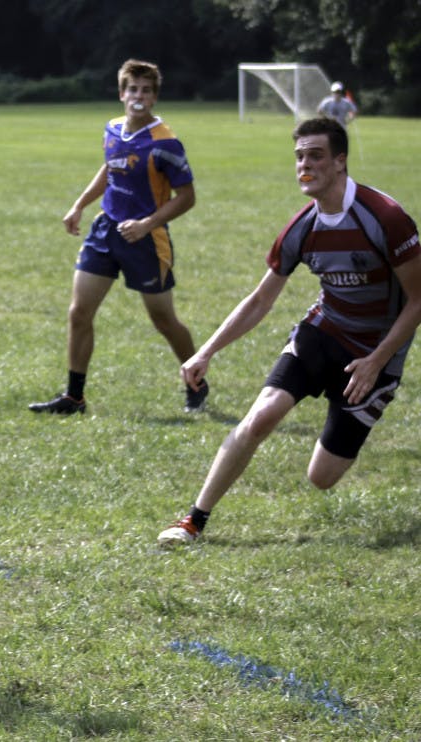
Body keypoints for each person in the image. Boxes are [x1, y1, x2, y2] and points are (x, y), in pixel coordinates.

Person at [158, 117, 421, 546]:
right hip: (323, 332)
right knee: (260, 417)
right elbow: (260, 300)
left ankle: (349, 411)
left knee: (322, 477)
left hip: (376, 353)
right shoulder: (302, 228)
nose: (305, 165)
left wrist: (376, 362)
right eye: (299, 157)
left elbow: (418, 300)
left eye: (315, 156)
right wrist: (206, 351)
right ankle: (193, 521)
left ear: (340, 161)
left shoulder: (385, 218)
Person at [29, 59, 203, 416]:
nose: (139, 96)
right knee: (79, 312)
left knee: (163, 320)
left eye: (146, 90)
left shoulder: (166, 142)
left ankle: (196, 381)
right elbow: (110, 167)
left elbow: (187, 197)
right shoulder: (112, 128)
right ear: (122, 93)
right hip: (106, 230)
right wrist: (79, 205)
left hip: (147, 239)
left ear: (154, 97)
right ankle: (74, 397)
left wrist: (147, 224)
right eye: (133, 89)